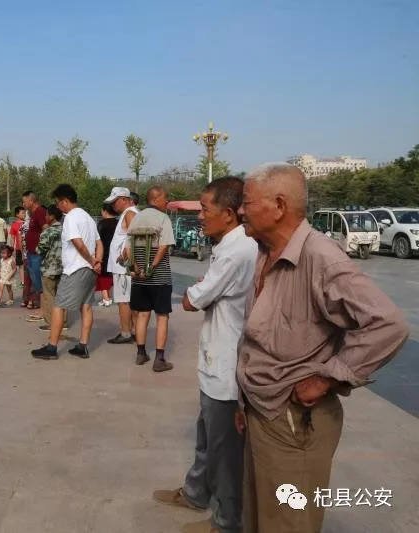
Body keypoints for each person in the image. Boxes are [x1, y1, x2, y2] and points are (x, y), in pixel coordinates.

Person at [235, 163, 409, 533]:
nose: (240, 210)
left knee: (288, 523)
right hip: (262, 410)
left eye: (247, 202)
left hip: (294, 419)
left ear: (279, 206)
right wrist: (244, 401)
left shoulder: (321, 257)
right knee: (258, 518)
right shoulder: (265, 253)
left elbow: (388, 325)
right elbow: (258, 343)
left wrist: (326, 378)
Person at [153, 177, 257, 533]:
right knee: (206, 437)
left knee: (225, 453)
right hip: (215, 361)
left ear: (228, 214)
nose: (200, 216)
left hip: (228, 367)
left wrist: (196, 291)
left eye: (205, 210)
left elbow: (192, 300)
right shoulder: (230, 244)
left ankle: (226, 523)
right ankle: (197, 492)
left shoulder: (237, 251)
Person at [31, 184, 101, 360]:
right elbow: (99, 243)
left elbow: (77, 242)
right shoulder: (89, 218)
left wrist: (92, 260)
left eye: (58, 202)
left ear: (64, 201)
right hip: (90, 270)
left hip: (75, 269)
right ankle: (83, 346)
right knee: (85, 306)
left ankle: (52, 347)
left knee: (58, 306)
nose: (58, 206)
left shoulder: (70, 218)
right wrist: (96, 262)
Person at [125, 186, 175, 371]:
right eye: (165, 197)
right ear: (156, 199)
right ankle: (159, 359)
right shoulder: (163, 218)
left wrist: (137, 268)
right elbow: (164, 246)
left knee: (142, 314)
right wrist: (152, 267)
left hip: (139, 278)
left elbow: (129, 246)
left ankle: (141, 353)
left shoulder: (136, 218)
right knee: (162, 316)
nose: (167, 201)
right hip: (159, 276)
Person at [105, 186, 139, 344]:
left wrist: (125, 255)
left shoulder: (130, 213)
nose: (113, 205)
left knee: (123, 300)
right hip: (124, 266)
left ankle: (126, 333)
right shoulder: (129, 213)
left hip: (123, 267)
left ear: (124, 200)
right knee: (129, 300)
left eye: (115, 201)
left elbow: (135, 236)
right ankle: (134, 331)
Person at [36, 204, 68, 331]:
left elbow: (41, 249)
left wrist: (36, 249)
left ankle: (51, 323)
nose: (45, 217)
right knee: (62, 295)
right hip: (64, 267)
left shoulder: (48, 232)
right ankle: (64, 322)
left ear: (52, 216)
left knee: (48, 296)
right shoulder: (66, 230)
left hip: (49, 267)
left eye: (47, 214)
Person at [23, 191, 47, 318]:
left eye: (24, 201)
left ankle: (44, 310)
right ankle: (43, 308)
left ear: (31, 200)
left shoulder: (40, 212)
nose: (23, 204)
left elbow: (46, 229)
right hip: (32, 253)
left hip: (37, 253)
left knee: (40, 281)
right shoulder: (32, 214)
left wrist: (41, 247)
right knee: (36, 281)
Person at [95, 203, 118, 306]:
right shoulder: (118, 223)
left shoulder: (102, 224)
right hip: (115, 253)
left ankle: (106, 298)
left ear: (105, 211)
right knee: (111, 275)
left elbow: (97, 240)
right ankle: (108, 296)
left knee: (102, 275)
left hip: (103, 252)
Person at [9, 206, 26, 285]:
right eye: (22, 213)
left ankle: (29, 282)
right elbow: (12, 238)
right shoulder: (14, 225)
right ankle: (23, 282)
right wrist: (12, 250)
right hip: (19, 249)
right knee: (21, 266)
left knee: (28, 266)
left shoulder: (27, 223)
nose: (24, 214)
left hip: (28, 249)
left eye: (24, 212)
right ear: (17, 214)